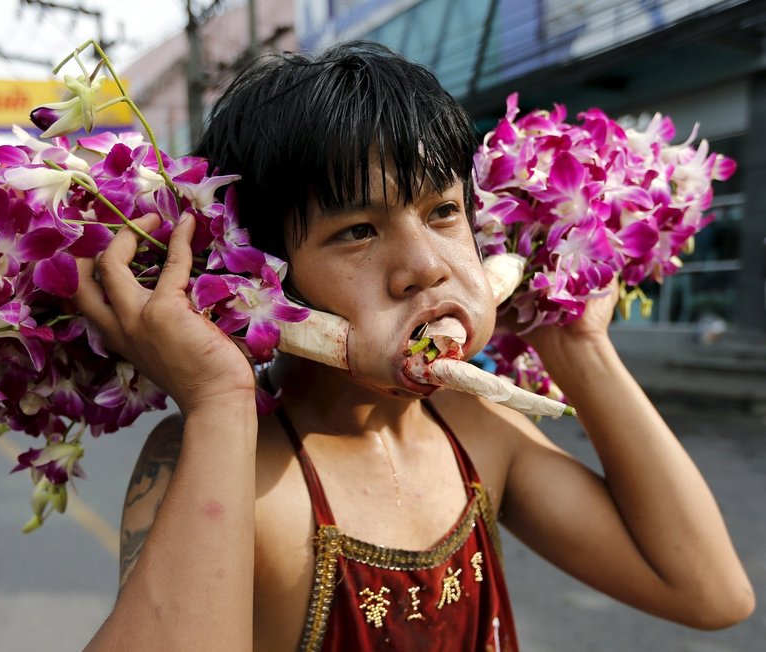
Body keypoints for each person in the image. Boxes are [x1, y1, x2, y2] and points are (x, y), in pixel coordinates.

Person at [73, 42, 754, 651]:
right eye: (357, 232)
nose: (424, 265)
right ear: (258, 272)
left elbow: (708, 592)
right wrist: (218, 403)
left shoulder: (481, 435)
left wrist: (575, 341)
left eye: (442, 212)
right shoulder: (229, 462)